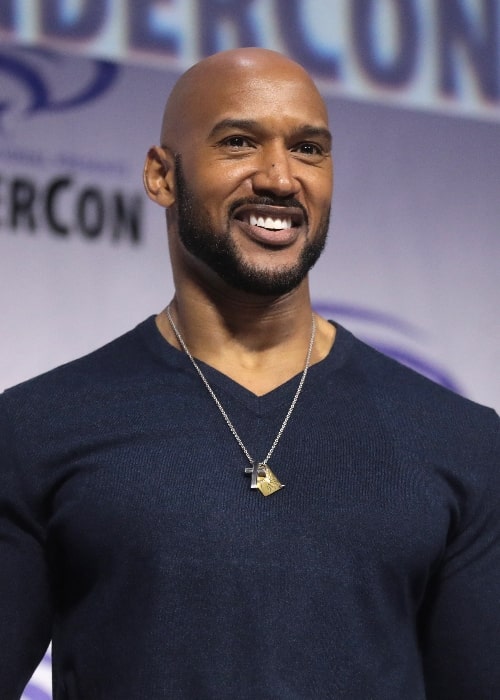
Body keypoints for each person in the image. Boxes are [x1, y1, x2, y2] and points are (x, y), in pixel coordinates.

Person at [0, 47, 499, 700]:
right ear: (161, 175)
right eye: (239, 142)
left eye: (309, 150)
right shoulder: (38, 428)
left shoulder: (460, 443)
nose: (280, 177)